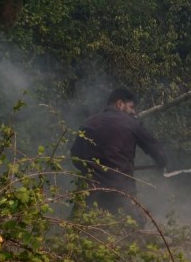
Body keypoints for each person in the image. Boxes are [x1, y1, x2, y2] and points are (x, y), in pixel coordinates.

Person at [69, 87, 168, 220]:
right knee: (134, 230)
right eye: (131, 107)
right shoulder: (131, 123)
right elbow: (155, 148)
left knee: (79, 229)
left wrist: (93, 171)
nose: (133, 112)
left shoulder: (88, 123)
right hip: (121, 191)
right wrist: (161, 162)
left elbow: (75, 157)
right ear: (120, 104)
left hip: (91, 192)